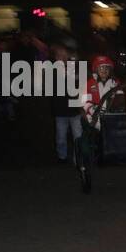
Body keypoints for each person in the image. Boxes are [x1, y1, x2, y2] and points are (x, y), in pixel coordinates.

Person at [48, 34, 82, 163]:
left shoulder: (76, 66)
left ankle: (77, 158)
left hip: (75, 110)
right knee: (61, 137)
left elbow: (81, 84)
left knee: (77, 136)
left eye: (63, 53)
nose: (61, 56)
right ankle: (62, 156)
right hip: (60, 110)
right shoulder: (52, 68)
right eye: (58, 54)